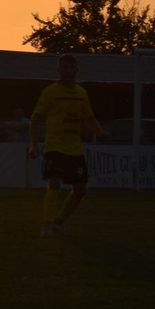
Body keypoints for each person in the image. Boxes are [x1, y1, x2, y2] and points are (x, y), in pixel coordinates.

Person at [29, 54, 110, 237]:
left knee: (81, 190)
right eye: (64, 67)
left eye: (71, 68)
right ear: (58, 70)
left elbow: (89, 118)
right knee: (54, 182)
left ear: (76, 70)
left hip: (74, 149)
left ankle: (58, 222)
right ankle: (46, 224)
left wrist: (100, 132)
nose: (68, 71)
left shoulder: (81, 93)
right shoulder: (50, 92)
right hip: (55, 147)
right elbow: (35, 118)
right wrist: (34, 145)